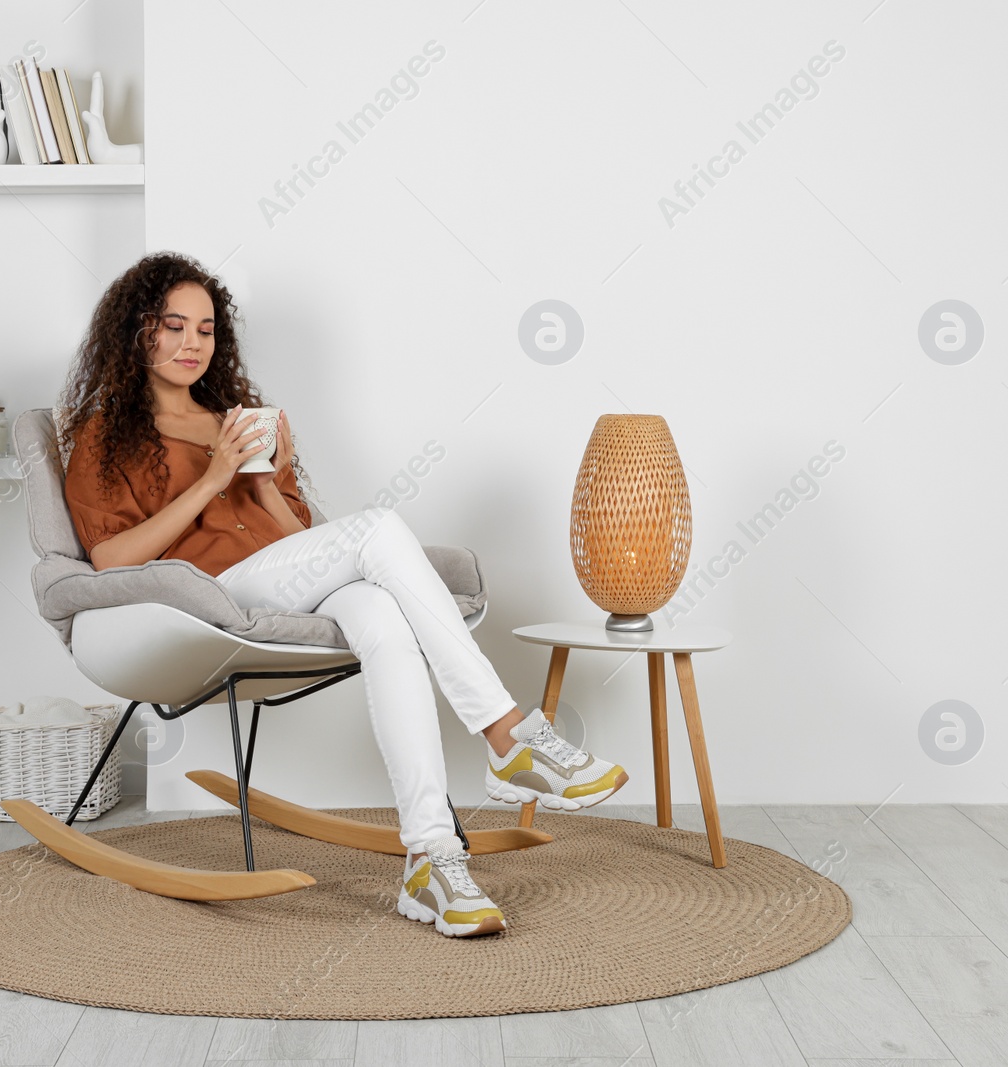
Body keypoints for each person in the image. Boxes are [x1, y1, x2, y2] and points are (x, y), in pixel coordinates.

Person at [57, 252, 629, 937]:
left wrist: (269, 479)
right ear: (136, 331)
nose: (190, 344)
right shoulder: (104, 433)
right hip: (207, 600)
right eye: (172, 326)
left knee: (382, 612)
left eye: (205, 330)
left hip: (278, 581)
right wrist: (212, 480)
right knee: (380, 529)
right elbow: (109, 557)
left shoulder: (238, 422)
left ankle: (432, 859)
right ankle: (510, 737)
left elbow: (301, 538)